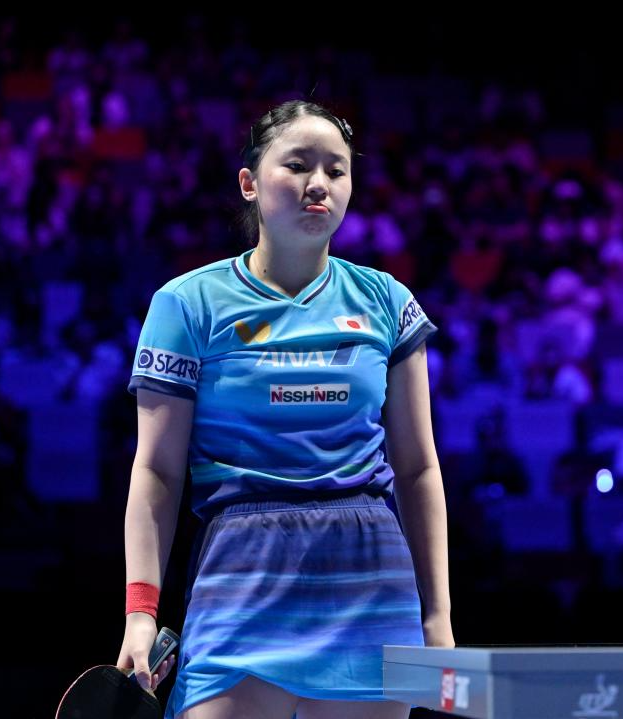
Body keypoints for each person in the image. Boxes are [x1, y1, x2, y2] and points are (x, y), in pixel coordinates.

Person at [115, 100, 453, 719]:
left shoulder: (387, 301)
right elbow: (157, 472)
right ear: (249, 183)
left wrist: (438, 616)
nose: (318, 183)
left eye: (336, 170)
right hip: (241, 576)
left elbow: (418, 469)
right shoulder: (187, 304)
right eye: (297, 165)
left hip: (369, 579)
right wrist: (141, 612)